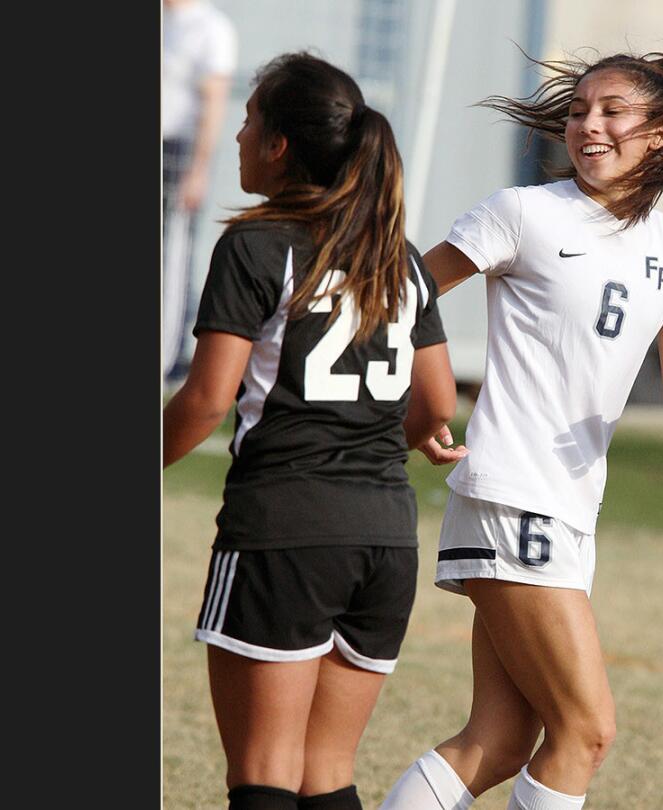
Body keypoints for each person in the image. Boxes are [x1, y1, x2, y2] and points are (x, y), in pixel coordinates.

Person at [381, 49, 663, 810]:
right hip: (513, 493)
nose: (587, 125)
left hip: (573, 510)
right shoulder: (524, 212)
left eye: (612, 111)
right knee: (587, 731)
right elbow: (400, 296)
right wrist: (427, 399)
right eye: (578, 110)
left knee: (498, 742)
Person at [162, 52, 459, 810]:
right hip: (386, 537)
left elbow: (204, 401)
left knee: (263, 774)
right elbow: (434, 406)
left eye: (251, 119)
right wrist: (368, 437)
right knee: (324, 774)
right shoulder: (399, 256)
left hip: (283, 530)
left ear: (280, 146)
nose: (236, 133)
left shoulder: (258, 246)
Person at [163, 0, 237, 385]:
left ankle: (169, 355)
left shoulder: (210, 27)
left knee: (173, 256)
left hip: (176, 153)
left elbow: (214, 101)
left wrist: (198, 168)